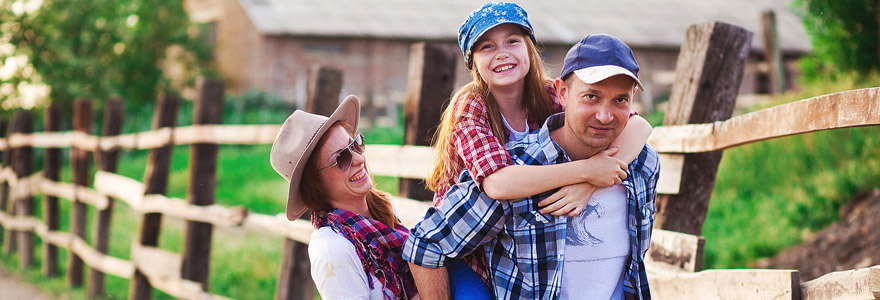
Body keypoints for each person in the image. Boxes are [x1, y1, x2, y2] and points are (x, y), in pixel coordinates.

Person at [415, 2, 653, 299]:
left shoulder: (552, 94)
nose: (502, 53)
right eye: (487, 47)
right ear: (473, 63)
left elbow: (639, 127)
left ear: (530, 49)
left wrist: (588, 185)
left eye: (513, 41)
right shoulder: (471, 106)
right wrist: (587, 172)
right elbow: (498, 183)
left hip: (515, 238)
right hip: (465, 245)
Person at [270, 95, 418, 300]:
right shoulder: (332, 248)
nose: (358, 158)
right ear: (316, 184)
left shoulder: (385, 209)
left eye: (355, 144)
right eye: (341, 158)